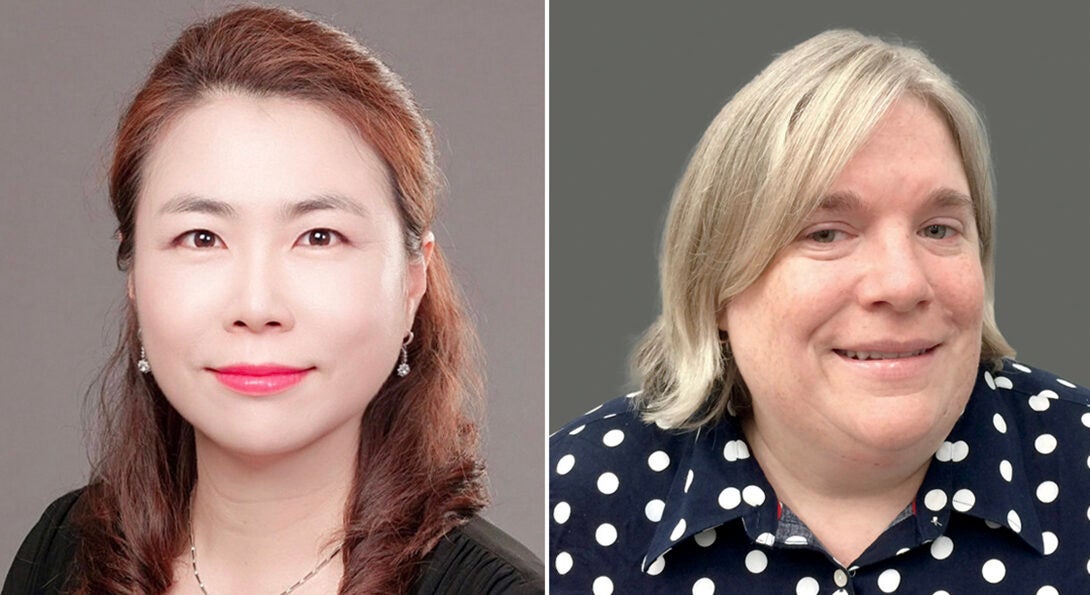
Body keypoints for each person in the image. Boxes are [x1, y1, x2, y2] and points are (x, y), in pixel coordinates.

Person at [4, 6, 542, 594]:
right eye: (201, 237)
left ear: (414, 278)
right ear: (134, 274)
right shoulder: (60, 552)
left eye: (319, 237)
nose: (257, 305)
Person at [550, 29, 1090, 594]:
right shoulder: (577, 496)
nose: (902, 283)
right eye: (827, 233)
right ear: (715, 286)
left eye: (938, 229)